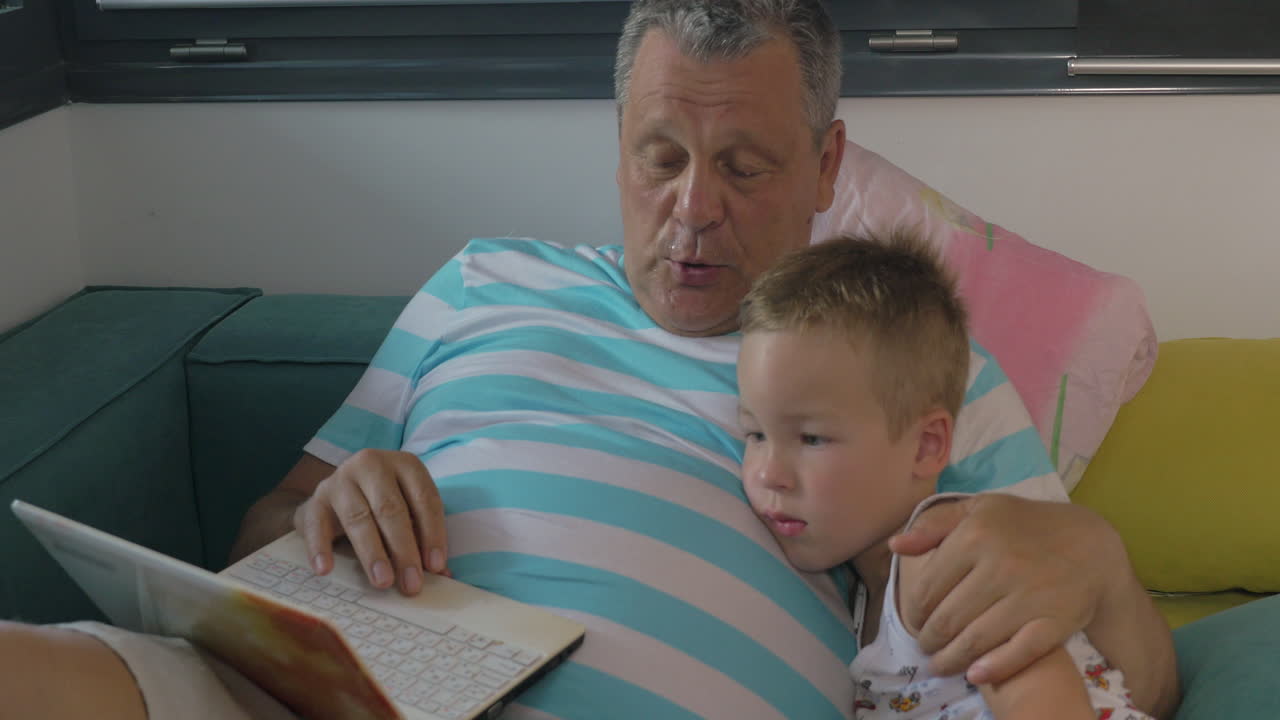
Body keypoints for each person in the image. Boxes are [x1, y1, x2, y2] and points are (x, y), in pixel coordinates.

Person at [0, 1, 1178, 718]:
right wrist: (326, 509)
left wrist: (1100, 568)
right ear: (614, 144)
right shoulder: (480, 281)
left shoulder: (918, 369)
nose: (692, 210)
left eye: (747, 167)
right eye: (659, 156)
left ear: (827, 168)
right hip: (311, 700)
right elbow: (259, 538)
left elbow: (1118, 679)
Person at [736, 232, 1153, 720]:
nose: (769, 473)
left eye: (811, 439)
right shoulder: (868, 587)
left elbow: (1042, 700)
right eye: (755, 433)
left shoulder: (936, 563)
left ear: (927, 445)